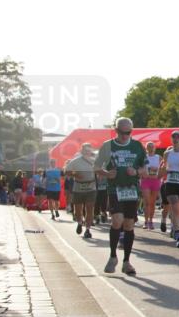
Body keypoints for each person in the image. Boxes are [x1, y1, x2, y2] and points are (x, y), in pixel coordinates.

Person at [93, 117, 148, 276]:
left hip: (131, 190)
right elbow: (96, 167)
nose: (125, 136)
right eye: (122, 132)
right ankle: (112, 257)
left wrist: (136, 171)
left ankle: (126, 262)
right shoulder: (107, 146)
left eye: (128, 132)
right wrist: (106, 173)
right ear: (116, 130)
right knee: (117, 220)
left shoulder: (137, 146)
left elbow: (145, 170)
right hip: (115, 189)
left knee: (129, 225)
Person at [66, 143, 98, 239]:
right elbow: (66, 171)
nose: (87, 152)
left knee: (89, 209)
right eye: (85, 150)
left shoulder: (95, 161)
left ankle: (87, 230)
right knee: (78, 210)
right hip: (78, 187)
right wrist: (76, 174)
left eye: (89, 150)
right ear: (82, 150)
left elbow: (100, 170)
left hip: (91, 187)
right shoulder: (75, 161)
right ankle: (80, 223)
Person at [140, 141, 163, 230]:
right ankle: (146, 221)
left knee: (152, 203)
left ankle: (150, 221)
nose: (150, 148)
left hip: (155, 181)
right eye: (149, 146)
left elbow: (164, 168)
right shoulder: (143, 157)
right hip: (146, 181)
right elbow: (140, 168)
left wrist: (157, 171)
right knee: (147, 202)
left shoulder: (159, 158)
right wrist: (144, 172)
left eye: (152, 146)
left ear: (155, 148)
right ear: (146, 148)